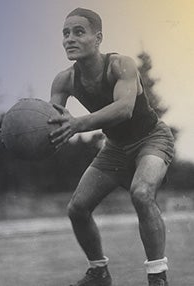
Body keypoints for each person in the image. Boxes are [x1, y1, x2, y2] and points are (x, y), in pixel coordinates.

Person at [48, 8, 174, 286]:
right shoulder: (63, 80)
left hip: (152, 138)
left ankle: (157, 276)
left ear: (98, 37)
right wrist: (27, 135)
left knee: (141, 193)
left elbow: (124, 109)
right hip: (115, 149)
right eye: (66, 33)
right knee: (77, 208)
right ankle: (99, 272)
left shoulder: (121, 65)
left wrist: (78, 125)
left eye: (79, 32)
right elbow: (52, 124)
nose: (70, 38)